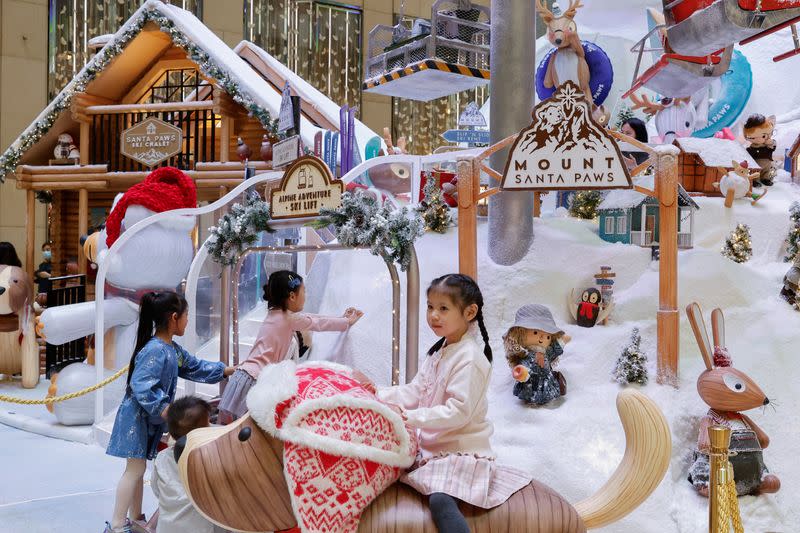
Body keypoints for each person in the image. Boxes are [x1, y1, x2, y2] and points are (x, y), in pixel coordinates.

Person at [361, 274, 531, 533]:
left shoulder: (470, 358)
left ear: (470, 312)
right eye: (430, 307)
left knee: (440, 499)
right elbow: (415, 390)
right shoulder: (439, 351)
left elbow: (457, 412)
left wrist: (408, 417)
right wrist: (376, 394)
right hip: (431, 450)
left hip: (458, 452)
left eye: (443, 308)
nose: (433, 316)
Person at [104, 291, 235, 533]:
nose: (187, 321)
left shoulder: (171, 349)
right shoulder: (155, 349)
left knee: (138, 468)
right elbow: (141, 385)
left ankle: (136, 518)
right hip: (136, 418)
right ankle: (117, 524)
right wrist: (166, 410)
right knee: (135, 469)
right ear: (174, 318)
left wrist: (226, 370)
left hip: (147, 418)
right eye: (186, 316)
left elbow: (195, 366)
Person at [218, 270, 363, 422]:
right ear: (292, 296)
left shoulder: (274, 314)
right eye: (304, 292)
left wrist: (341, 319)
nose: (305, 296)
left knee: (235, 431)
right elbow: (317, 323)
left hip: (243, 377)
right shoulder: (289, 319)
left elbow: (310, 318)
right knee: (251, 431)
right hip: (255, 380)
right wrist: (347, 322)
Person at [151, 396, 227, 533]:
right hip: (203, 528)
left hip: (167, 527)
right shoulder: (212, 459)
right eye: (209, 424)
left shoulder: (162, 458)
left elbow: (156, 489)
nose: (211, 427)